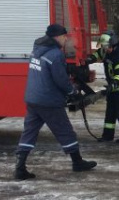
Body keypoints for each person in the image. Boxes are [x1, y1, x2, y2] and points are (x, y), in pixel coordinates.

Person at [14, 24, 97, 180]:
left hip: (33, 99)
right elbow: (60, 80)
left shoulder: (37, 50)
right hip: (49, 101)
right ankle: (77, 162)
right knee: (65, 131)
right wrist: (72, 91)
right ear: (56, 37)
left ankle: (20, 168)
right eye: (64, 36)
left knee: (29, 132)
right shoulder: (55, 54)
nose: (66, 39)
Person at [86, 30, 119, 143]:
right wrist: (90, 59)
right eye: (103, 46)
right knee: (110, 111)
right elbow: (98, 54)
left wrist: (113, 85)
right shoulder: (107, 51)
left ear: (113, 44)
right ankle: (107, 136)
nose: (105, 49)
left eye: (106, 47)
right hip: (112, 86)